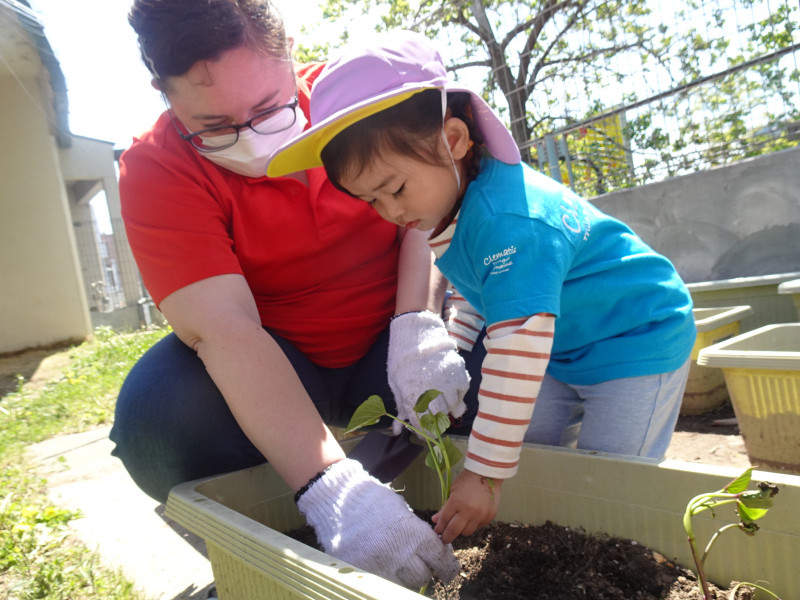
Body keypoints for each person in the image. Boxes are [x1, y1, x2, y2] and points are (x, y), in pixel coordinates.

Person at [267, 30, 697, 546]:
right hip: (566, 349)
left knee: (611, 476)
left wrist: (483, 474)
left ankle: (626, 555)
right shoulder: (451, 210)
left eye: (396, 189)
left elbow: (517, 348)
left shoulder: (511, 220)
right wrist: (451, 347)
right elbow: (481, 288)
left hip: (636, 341)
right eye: (372, 202)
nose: (393, 213)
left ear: (452, 141)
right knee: (532, 449)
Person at [111, 2, 482, 589]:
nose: (252, 142)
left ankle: (449, 505)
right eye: (214, 126)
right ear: (164, 92)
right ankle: (286, 541)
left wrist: (416, 326)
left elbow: (427, 211)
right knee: (160, 419)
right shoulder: (159, 168)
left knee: (503, 346)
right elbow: (224, 329)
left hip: (388, 344)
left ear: (289, 51)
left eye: (267, 108)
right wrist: (331, 490)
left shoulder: (356, 99)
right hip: (280, 364)